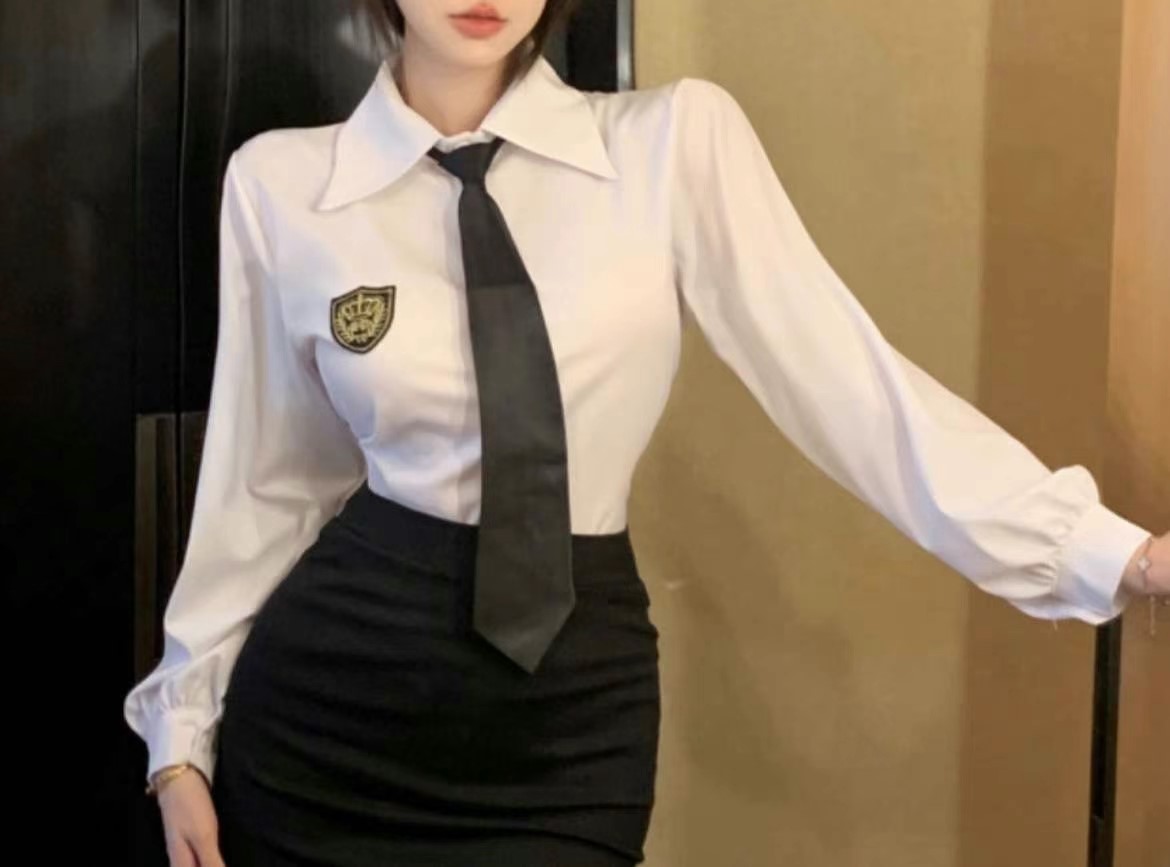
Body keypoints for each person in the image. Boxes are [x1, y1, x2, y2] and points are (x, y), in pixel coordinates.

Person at [122, 1, 1170, 865]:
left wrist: (1105, 551)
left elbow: (851, 385)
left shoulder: (671, 144)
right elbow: (266, 483)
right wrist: (180, 739)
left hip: (570, 717)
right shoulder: (283, 185)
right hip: (334, 714)